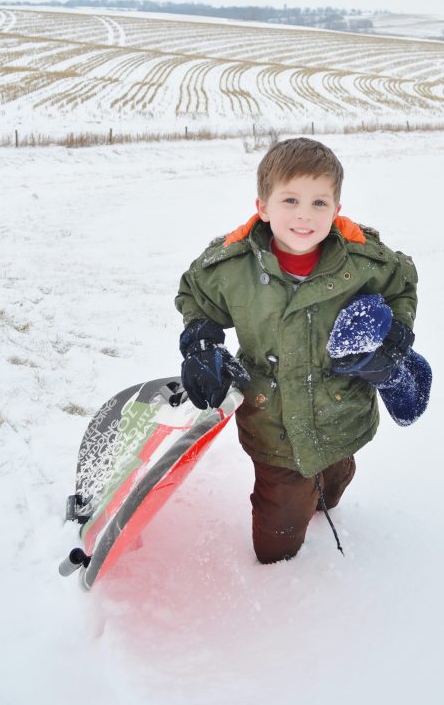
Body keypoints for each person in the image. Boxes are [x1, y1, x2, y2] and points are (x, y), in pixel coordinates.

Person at [175, 137, 430, 564]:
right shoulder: (231, 266)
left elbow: (402, 285)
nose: (304, 216)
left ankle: (331, 486)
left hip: (341, 410)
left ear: (336, 208)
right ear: (263, 206)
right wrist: (201, 344)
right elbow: (198, 296)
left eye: (319, 203)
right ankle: (280, 575)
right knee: (276, 536)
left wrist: (398, 332)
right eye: (290, 200)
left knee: (334, 477)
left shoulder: (365, 261)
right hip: (273, 423)